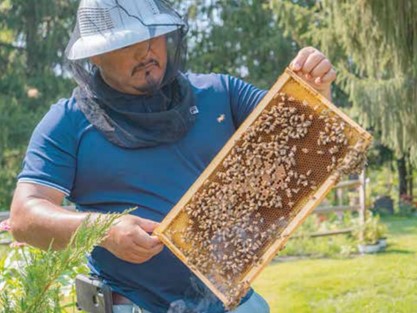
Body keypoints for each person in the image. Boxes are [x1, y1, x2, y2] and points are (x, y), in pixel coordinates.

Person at [9, 0, 336, 312]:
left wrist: (313, 94)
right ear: (95, 55)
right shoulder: (67, 122)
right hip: (131, 306)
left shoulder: (220, 93)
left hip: (235, 302)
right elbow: (25, 217)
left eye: (152, 36)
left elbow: (311, 142)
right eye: (127, 43)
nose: (145, 52)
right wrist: (103, 229)